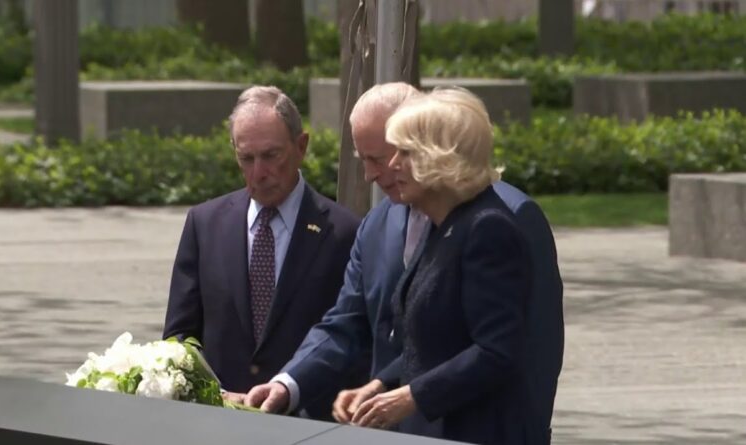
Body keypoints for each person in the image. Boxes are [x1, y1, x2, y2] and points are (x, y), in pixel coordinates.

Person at [246, 83, 563, 443]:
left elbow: (517, 346)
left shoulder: (501, 219)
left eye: (388, 155)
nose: (375, 173)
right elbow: (399, 332)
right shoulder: (402, 223)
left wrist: (410, 396)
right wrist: (379, 382)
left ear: (433, 152)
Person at [162, 86, 360, 419]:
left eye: (271, 156)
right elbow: (180, 336)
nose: (258, 173)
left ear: (301, 147)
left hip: (307, 424)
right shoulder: (204, 223)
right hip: (219, 421)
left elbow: (350, 337)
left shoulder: (344, 233)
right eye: (246, 158)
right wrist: (209, 393)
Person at [351, 87, 534, 444]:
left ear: (439, 156)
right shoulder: (442, 225)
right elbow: (431, 343)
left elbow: (497, 351)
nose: (391, 165)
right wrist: (383, 383)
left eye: (404, 152)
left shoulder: (487, 229)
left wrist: (410, 397)